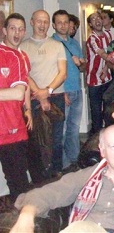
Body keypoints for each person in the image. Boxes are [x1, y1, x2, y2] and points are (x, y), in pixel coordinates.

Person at [20, 9, 67, 177]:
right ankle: (40, 175)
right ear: (32, 22)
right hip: (32, 99)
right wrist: (39, 93)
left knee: (56, 138)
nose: (43, 25)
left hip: (56, 96)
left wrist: (47, 91)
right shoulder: (23, 46)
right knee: (37, 139)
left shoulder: (57, 45)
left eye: (46, 21)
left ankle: (57, 170)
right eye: (39, 21)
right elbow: (24, 74)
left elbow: (62, 73)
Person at [0, 13, 31, 201]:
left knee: (18, 180)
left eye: (20, 29)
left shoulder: (18, 56)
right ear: (4, 31)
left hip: (12, 128)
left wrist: (28, 110)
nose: (16, 33)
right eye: (12, 28)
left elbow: (20, 91)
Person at [51, 10, 86, 172]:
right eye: (60, 22)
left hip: (77, 90)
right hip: (62, 92)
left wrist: (80, 63)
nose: (63, 25)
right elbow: (52, 71)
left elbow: (82, 68)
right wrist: (61, 91)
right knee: (62, 130)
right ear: (54, 25)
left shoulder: (74, 43)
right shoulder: (51, 44)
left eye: (66, 22)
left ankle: (74, 159)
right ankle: (64, 164)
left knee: (74, 128)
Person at [85, 12, 113, 135]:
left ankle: (107, 135)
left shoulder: (108, 35)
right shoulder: (92, 38)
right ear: (90, 24)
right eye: (93, 19)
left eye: (99, 18)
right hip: (94, 80)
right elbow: (101, 53)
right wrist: (113, 62)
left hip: (107, 78)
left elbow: (111, 52)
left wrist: (106, 67)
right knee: (96, 111)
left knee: (108, 109)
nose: (97, 20)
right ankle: (96, 138)